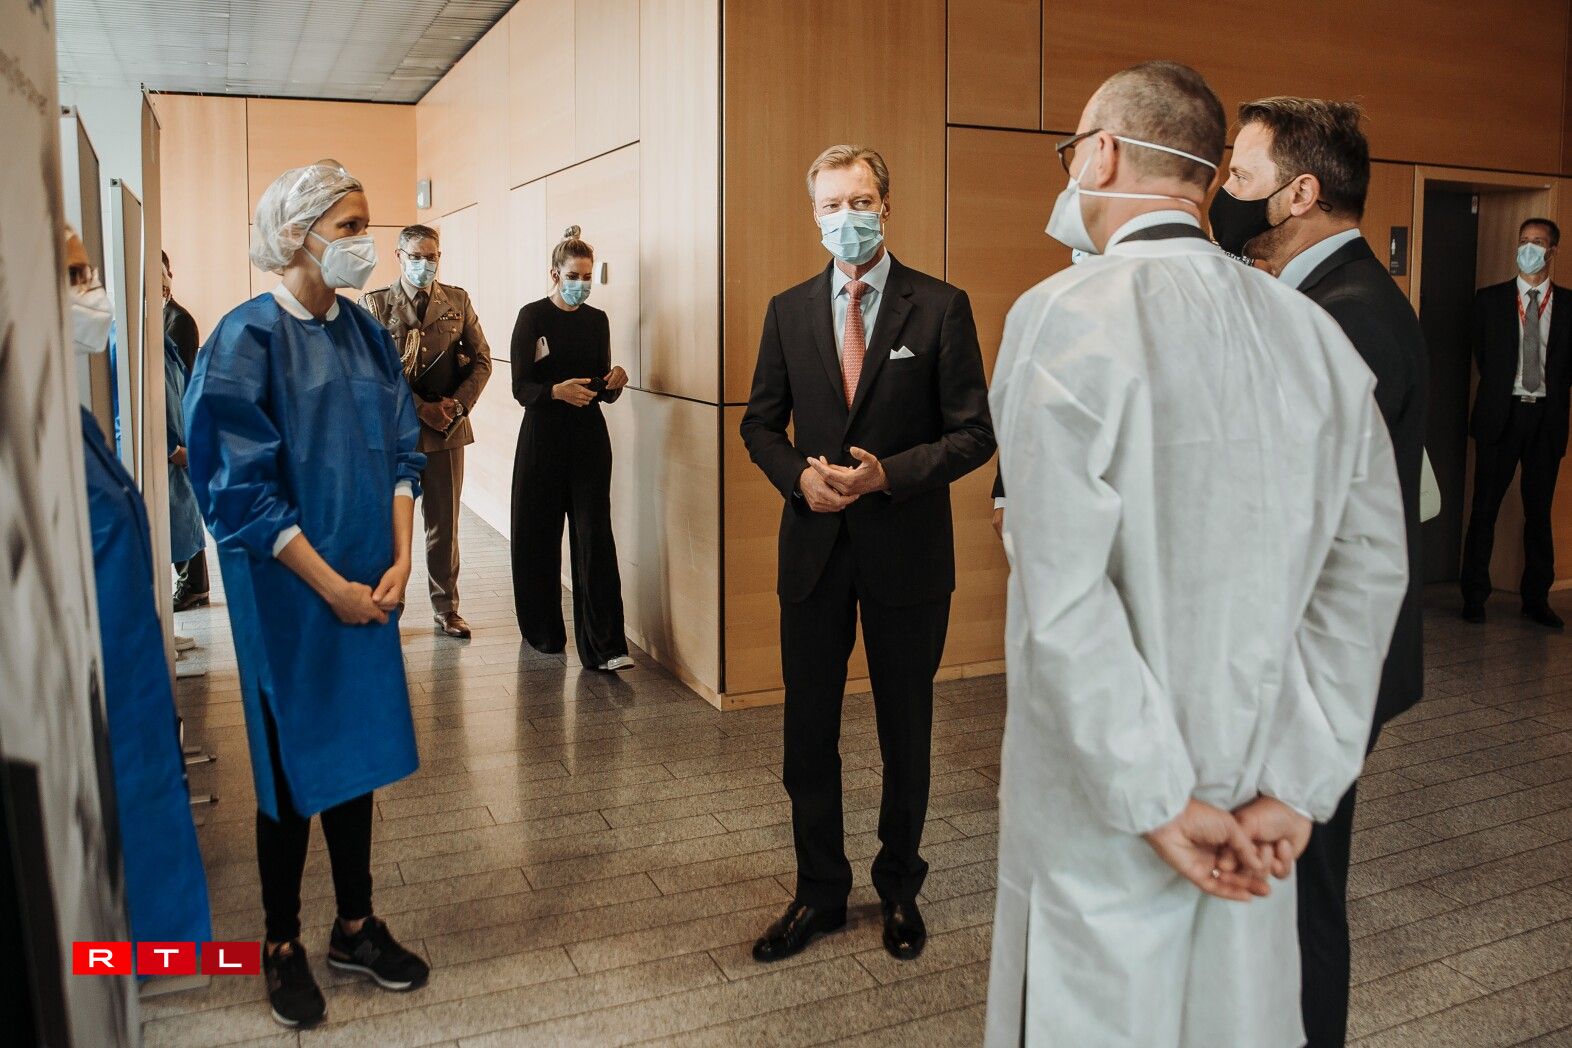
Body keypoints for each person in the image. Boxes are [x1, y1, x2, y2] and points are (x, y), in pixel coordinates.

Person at [984, 62, 1409, 1048]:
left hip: (1108, 805)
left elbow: (1063, 592)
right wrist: (1298, 784)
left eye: (1073, 151)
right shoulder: (1312, 336)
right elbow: (1367, 572)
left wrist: (1155, 797)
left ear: (1101, 153)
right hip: (1257, 796)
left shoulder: (1063, 318)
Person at [184, 161, 430, 1029]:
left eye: (366, 224)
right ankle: (281, 941)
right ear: (296, 235)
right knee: (289, 765)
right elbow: (239, 493)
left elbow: (403, 451)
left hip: (368, 584)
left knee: (355, 751)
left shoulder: (363, 334)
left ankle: (354, 927)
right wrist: (331, 588)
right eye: (350, 225)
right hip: (291, 595)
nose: (366, 241)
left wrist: (400, 562)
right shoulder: (243, 341)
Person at [740, 145, 995, 964]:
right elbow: (758, 424)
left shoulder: (941, 307)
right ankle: (819, 890)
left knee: (905, 731)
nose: (845, 217)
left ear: (886, 204)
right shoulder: (787, 310)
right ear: (813, 213)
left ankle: (899, 886)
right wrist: (796, 479)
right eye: (831, 205)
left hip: (907, 552)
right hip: (813, 551)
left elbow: (974, 434)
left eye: (859, 201)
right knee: (808, 732)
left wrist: (891, 475)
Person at [1215, 96, 1428, 1048]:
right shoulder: (1324, 297)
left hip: (1324, 660)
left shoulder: (1347, 317)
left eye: (1239, 174)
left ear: (1299, 193)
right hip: (1309, 650)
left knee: (1303, 900)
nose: (1224, 191)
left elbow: (1301, 516)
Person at [67, 225, 213, 960]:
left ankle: (156, 948)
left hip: (126, 686)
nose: (90, 290)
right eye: (73, 274)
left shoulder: (73, 421)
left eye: (88, 271)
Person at [508, 226, 633, 671]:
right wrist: (554, 391)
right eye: (573, 276)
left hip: (588, 439)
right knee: (537, 534)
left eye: (586, 277)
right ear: (554, 274)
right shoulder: (532, 317)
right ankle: (542, 632)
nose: (581, 284)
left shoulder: (597, 320)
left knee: (594, 536)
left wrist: (614, 382)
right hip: (542, 436)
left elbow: (600, 385)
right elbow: (521, 386)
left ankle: (606, 646)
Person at [362, 224, 493, 639]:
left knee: (444, 525)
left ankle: (446, 608)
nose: (424, 264)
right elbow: (372, 373)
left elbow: (482, 360)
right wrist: (422, 409)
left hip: (447, 429)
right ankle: (390, 606)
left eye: (431, 256)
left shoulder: (457, 300)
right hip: (396, 432)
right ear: (399, 257)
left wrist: (457, 405)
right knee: (391, 525)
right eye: (416, 256)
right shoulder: (375, 304)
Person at [1459, 217, 1570, 628]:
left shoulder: (1568, 305)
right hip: (1500, 416)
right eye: (1524, 240)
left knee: (1538, 512)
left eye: (1538, 242)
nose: (1529, 248)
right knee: (1484, 508)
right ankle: (1474, 596)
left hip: (1546, 418)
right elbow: (1483, 356)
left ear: (1552, 251)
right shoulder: (1489, 300)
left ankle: (1536, 599)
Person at [163, 250, 209, 610]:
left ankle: (194, 584)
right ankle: (194, 583)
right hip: (173, 432)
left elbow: (183, 384)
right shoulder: (151, 319)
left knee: (182, 509)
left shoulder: (178, 322)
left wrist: (181, 445)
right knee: (178, 510)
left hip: (179, 428)